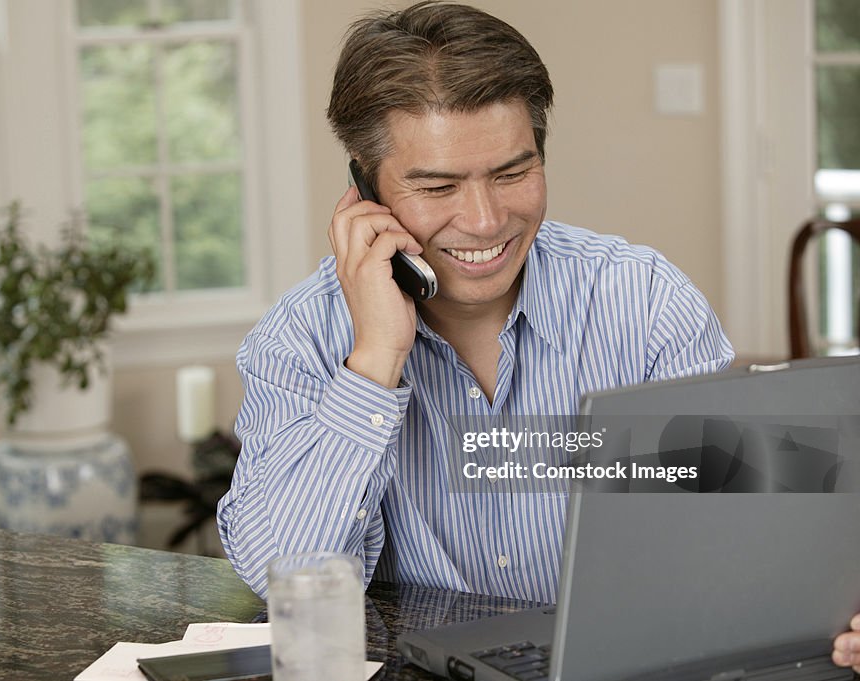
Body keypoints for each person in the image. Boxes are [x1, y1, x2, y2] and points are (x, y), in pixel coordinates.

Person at [216, 2, 859, 673]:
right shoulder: (300, 338)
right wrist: (374, 360)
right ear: (364, 188)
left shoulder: (643, 303)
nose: (486, 219)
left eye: (512, 172)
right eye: (438, 185)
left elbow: (751, 529)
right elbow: (280, 574)